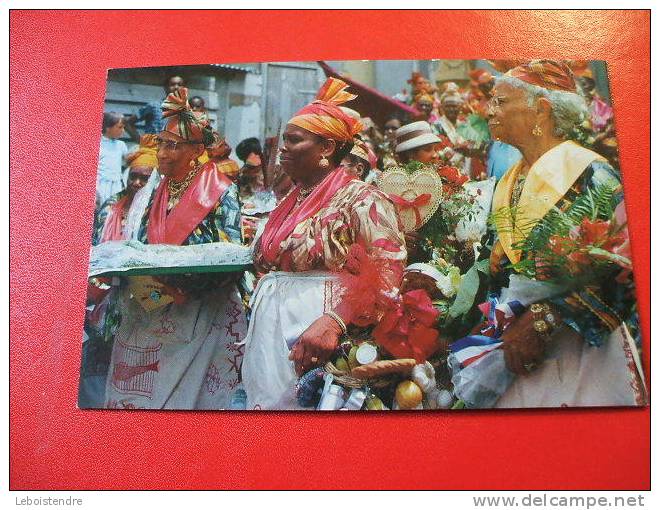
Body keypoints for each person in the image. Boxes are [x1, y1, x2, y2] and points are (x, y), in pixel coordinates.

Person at [484, 60, 645, 407]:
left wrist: (549, 316)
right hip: (525, 359)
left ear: (540, 110)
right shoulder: (510, 180)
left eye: (500, 101)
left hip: (588, 359)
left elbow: (630, 269)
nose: (488, 110)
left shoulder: (594, 175)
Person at [240, 78, 407, 410]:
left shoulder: (362, 198)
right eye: (283, 140)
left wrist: (335, 320)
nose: (282, 148)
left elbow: (389, 271)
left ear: (327, 149)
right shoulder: (292, 198)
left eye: (294, 140)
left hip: (323, 333)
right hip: (274, 335)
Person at [103, 86, 247, 409]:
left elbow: (232, 254)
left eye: (172, 146)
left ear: (196, 150)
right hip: (152, 307)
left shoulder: (221, 192)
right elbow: (138, 244)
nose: (163, 154)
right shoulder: (154, 188)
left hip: (199, 313)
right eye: (161, 144)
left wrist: (186, 287)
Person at [92, 135, 156, 244]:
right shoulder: (111, 205)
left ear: (154, 181)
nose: (136, 183)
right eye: (133, 176)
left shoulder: (156, 210)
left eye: (144, 178)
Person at [124, 75, 185, 142]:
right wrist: (141, 142)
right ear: (165, 87)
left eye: (179, 85)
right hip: (154, 149)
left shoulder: (185, 111)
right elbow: (128, 123)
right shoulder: (154, 106)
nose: (176, 87)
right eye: (172, 84)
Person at [96, 112, 129, 209]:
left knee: (113, 210)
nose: (123, 131)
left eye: (123, 128)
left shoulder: (121, 145)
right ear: (107, 127)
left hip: (116, 184)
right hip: (101, 184)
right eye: (119, 127)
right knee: (99, 208)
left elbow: (128, 160)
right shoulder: (99, 144)